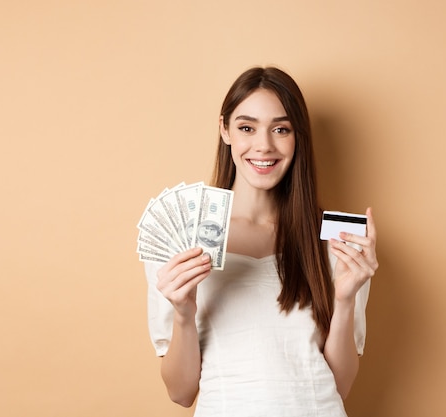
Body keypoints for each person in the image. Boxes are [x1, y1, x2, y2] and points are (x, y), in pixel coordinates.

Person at [144, 66, 378, 416]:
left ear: (298, 136)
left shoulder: (335, 240)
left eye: (280, 129)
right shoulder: (182, 237)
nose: (263, 146)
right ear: (225, 130)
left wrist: (344, 300)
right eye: (247, 128)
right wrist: (183, 312)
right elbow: (180, 392)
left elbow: (340, 385)